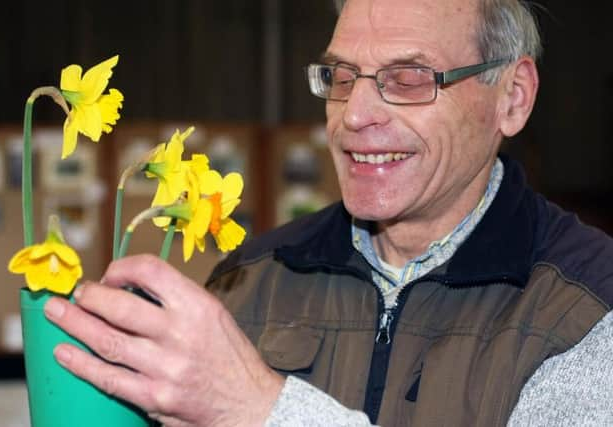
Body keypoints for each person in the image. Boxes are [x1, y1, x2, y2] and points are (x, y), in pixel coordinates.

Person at [43, 0, 613, 425]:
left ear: (511, 97)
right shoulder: (251, 280)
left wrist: (261, 407)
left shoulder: (588, 308)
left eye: (408, 78)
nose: (354, 114)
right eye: (342, 77)